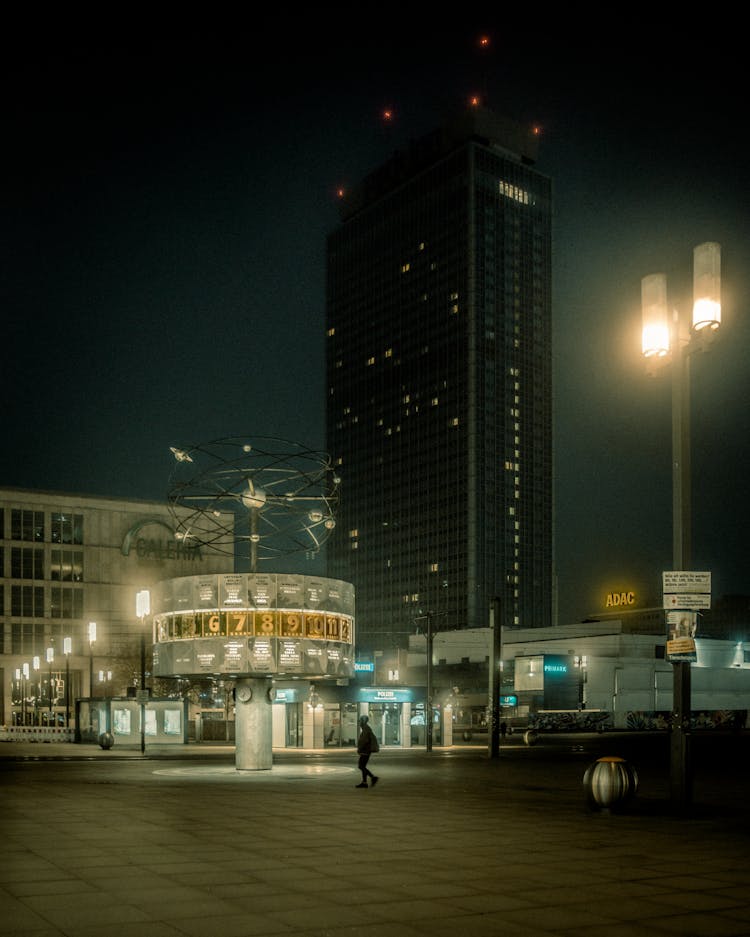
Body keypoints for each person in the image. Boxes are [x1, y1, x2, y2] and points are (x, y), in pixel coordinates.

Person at [355, 714, 379, 788]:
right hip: (366, 750)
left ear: (363, 721)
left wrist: (360, 748)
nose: (359, 723)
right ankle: (364, 782)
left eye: (360, 721)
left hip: (365, 751)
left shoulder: (366, 729)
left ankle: (373, 777)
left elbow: (364, 740)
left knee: (361, 766)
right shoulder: (366, 728)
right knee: (363, 766)